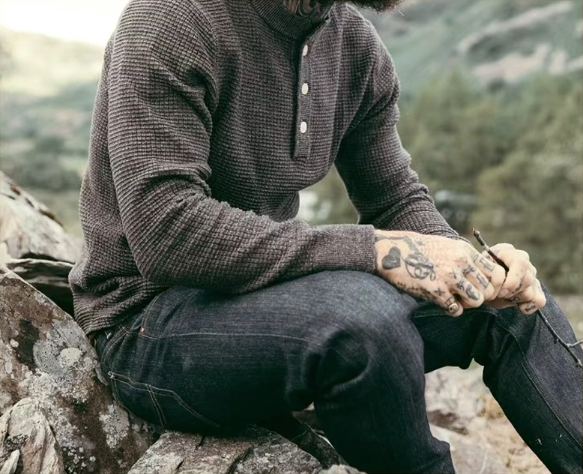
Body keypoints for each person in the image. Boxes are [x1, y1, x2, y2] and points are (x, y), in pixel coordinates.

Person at [69, 0, 583, 472]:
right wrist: (376, 250)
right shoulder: (171, 19)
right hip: (148, 326)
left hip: (274, 300)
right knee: (363, 320)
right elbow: (167, 232)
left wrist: (470, 267)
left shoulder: (353, 44)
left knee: (511, 304)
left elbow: (394, 199)